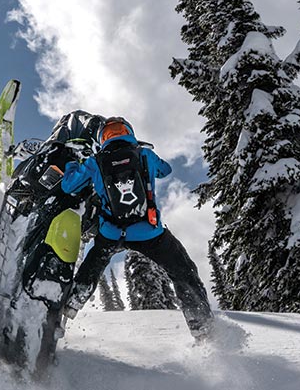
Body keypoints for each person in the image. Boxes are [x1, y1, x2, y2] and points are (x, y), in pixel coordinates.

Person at [60, 117, 214, 339]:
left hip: (111, 233)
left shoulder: (96, 161)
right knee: (183, 270)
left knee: (92, 267)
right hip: (148, 231)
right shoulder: (144, 154)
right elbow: (166, 170)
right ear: (128, 132)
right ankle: (202, 326)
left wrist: (73, 163)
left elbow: (69, 185)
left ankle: (70, 306)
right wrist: (145, 151)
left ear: (103, 138)